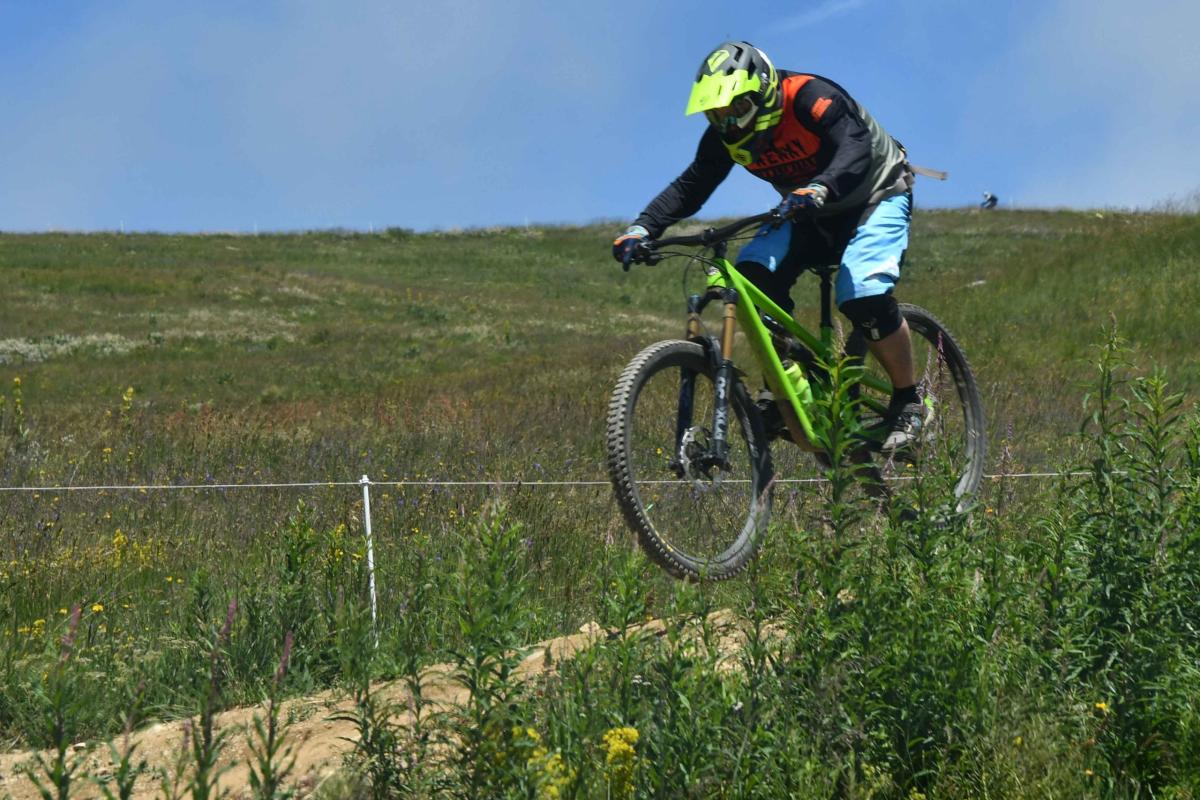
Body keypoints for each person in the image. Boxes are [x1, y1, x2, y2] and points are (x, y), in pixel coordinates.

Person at [612, 41, 926, 452]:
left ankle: (908, 401)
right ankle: (784, 389)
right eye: (716, 114)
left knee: (862, 294)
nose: (728, 123)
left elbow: (855, 147)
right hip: (808, 209)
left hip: (875, 194)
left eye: (735, 109)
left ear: (762, 92)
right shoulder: (726, 137)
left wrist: (820, 186)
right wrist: (643, 228)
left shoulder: (810, 98)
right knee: (751, 279)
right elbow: (692, 185)